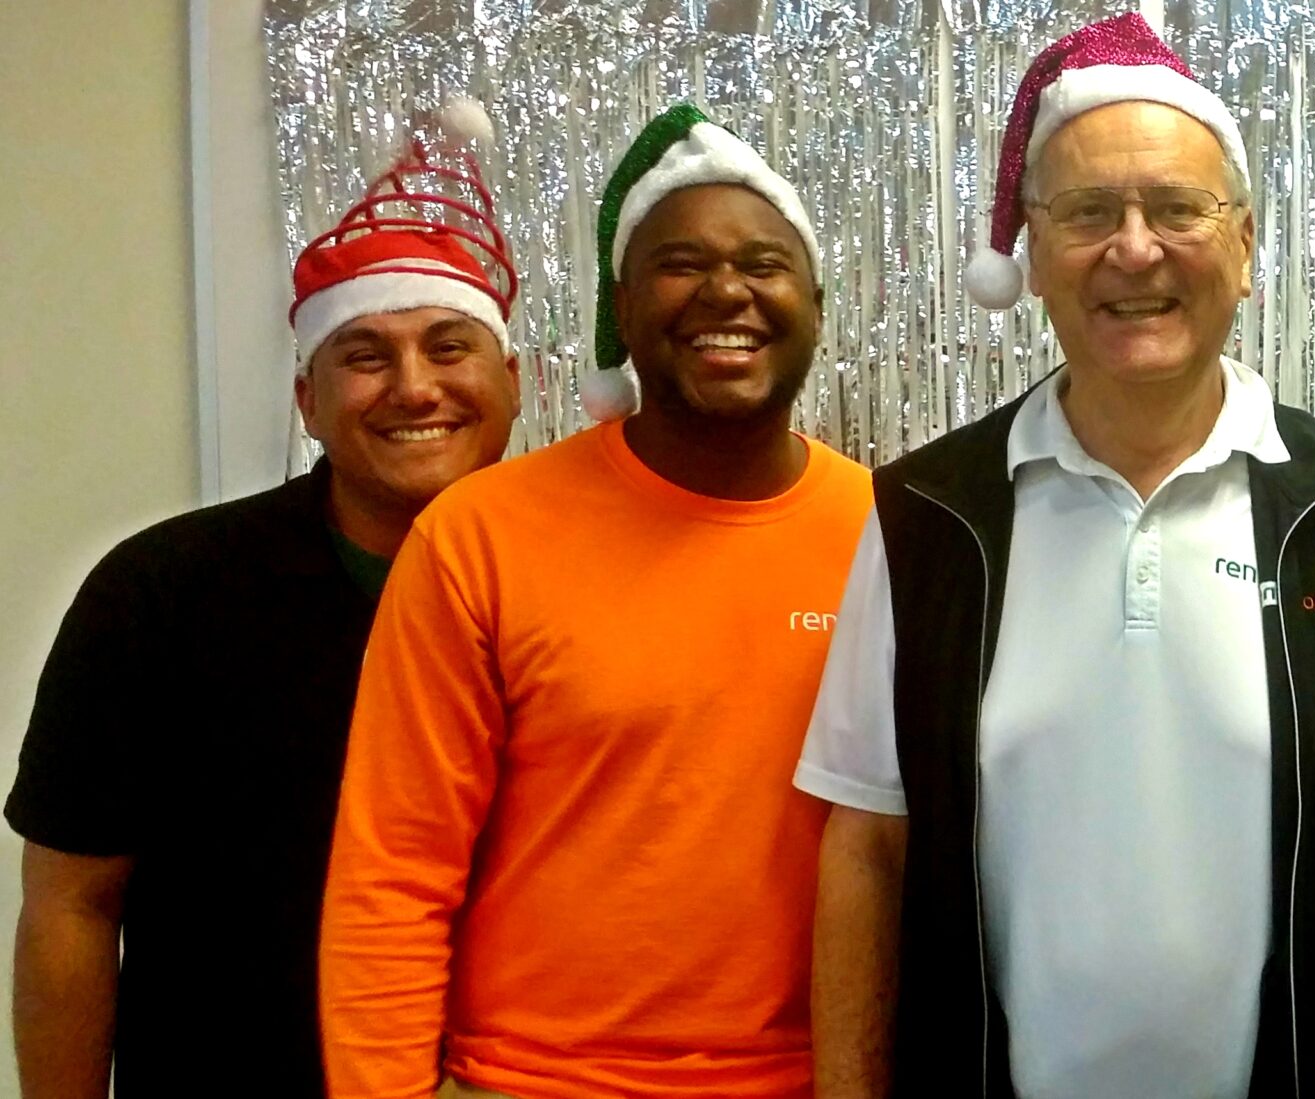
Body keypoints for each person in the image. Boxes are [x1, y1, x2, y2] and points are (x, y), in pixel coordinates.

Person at [795, 13, 1315, 1098]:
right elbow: (868, 847)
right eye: (1088, 212)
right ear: (1032, 256)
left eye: (1177, 208)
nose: (1135, 248)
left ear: (1243, 248)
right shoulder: (928, 515)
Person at [318, 102, 874, 1099]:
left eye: (763, 264)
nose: (725, 291)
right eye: (680, 263)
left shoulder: (891, 536)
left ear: (816, 307)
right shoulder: (479, 536)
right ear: (621, 309)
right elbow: (392, 876)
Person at [6, 100, 519, 1099]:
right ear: (308, 401)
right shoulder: (163, 594)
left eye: (449, 347)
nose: (413, 388)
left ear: (515, 378)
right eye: (365, 356)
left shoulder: (581, 582)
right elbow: (70, 903)